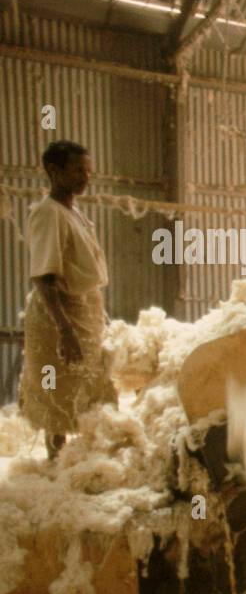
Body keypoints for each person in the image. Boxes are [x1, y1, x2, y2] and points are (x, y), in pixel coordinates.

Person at [20, 140, 117, 459]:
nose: (85, 177)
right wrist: (64, 330)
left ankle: (78, 460)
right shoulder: (48, 213)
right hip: (60, 313)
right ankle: (55, 461)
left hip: (83, 309)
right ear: (53, 171)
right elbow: (44, 276)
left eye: (88, 170)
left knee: (88, 387)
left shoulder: (73, 211)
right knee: (59, 394)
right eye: (77, 170)